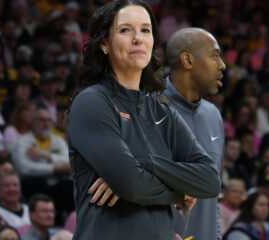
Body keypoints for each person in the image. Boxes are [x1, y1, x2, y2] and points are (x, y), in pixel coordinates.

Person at [67, 1, 220, 240]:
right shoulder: (92, 102)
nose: (138, 38)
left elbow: (210, 181)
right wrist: (181, 192)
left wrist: (147, 163)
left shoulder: (162, 112)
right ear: (105, 44)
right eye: (125, 30)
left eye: (145, 30)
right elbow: (132, 185)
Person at [161, 27, 226, 240]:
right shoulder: (146, 110)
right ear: (188, 61)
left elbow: (212, 197)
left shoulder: (214, 116)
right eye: (215, 56)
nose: (222, 65)